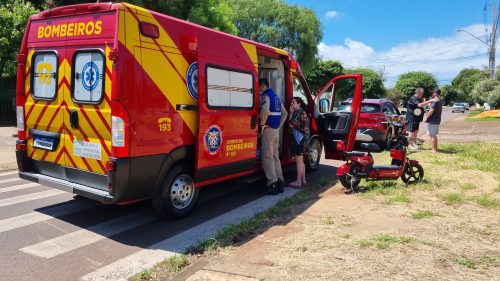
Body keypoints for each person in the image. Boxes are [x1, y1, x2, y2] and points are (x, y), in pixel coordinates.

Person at [259, 78, 288, 195]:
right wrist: (279, 126)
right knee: (275, 158)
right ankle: (280, 182)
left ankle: (272, 184)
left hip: (268, 130)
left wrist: (262, 125)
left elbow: (265, 111)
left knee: (267, 157)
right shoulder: (276, 96)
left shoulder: (266, 96)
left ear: (262, 86)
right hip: (275, 131)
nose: (259, 90)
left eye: (259, 87)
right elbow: (285, 113)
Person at [288, 97, 310, 187]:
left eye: (293, 102)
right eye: (291, 102)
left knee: (299, 161)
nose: (291, 104)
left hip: (299, 139)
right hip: (303, 139)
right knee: (302, 161)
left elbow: (290, 124)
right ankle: (303, 180)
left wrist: (291, 112)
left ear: (299, 104)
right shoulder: (302, 112)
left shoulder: (297, 113)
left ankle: (298, 182)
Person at [423, 88, 443, 153]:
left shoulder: (435, 101)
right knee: (433, 135)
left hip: (433, 120)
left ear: (436, 93)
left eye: (433, 92)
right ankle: (434, 148)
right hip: (437, 120)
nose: (432, 94)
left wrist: (426, 118)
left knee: (432, 135)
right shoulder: (440, 100)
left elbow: (431, 110)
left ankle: (434, 149)